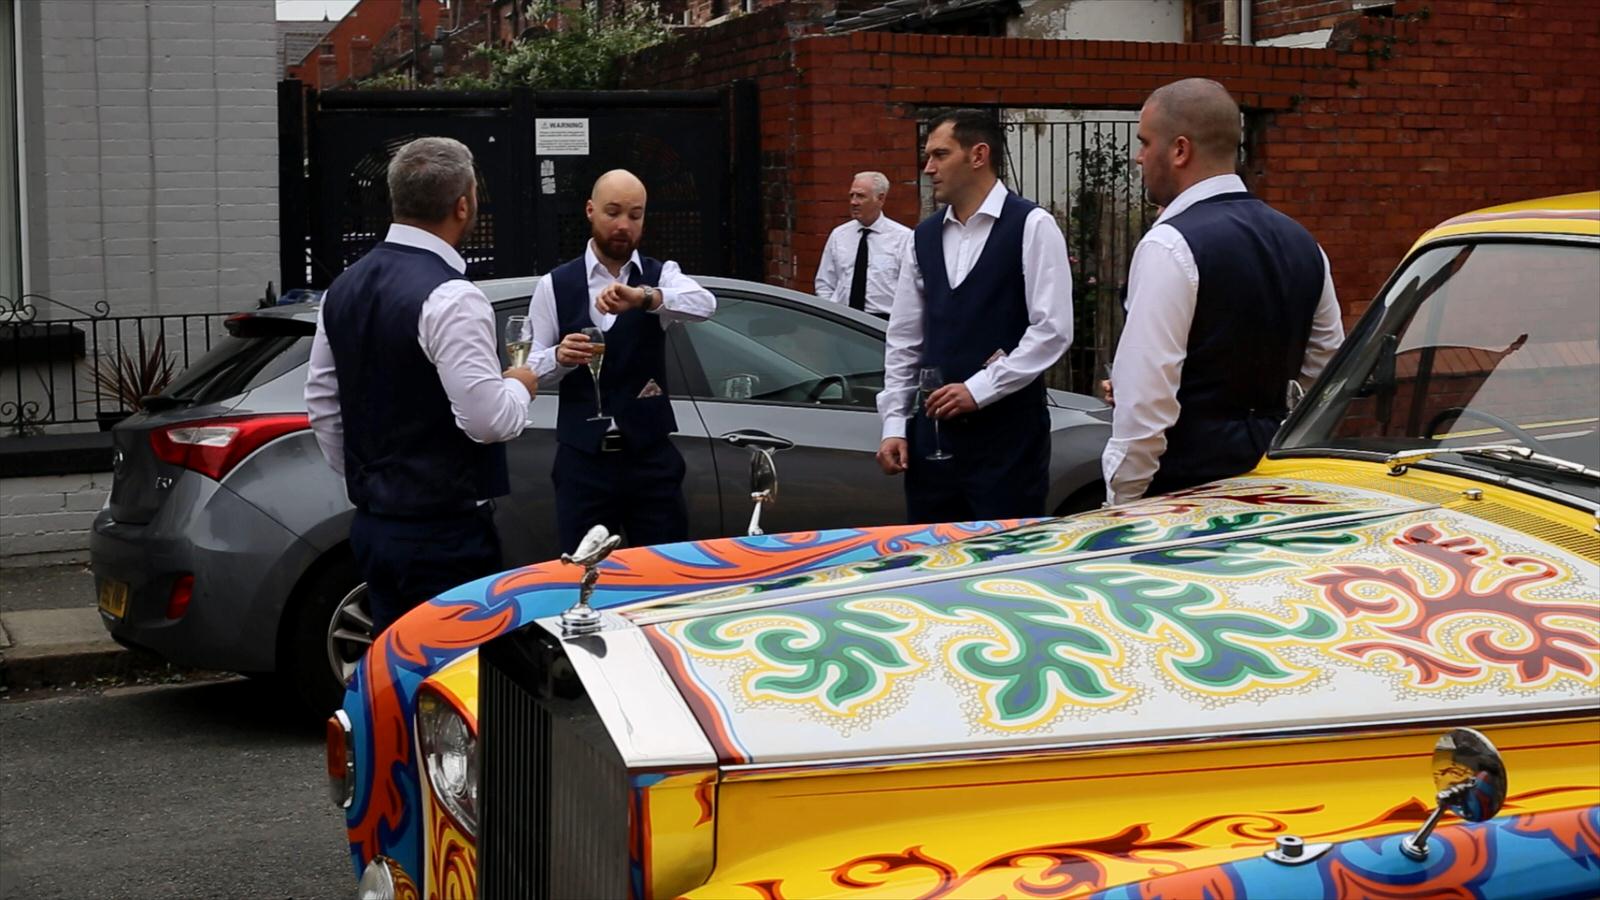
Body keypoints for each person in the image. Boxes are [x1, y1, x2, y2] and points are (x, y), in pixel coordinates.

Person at [305, 137, 538, 635]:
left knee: (396, 674)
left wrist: (374, 479)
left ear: (397, 200)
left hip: (374, 524)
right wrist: (521, 384)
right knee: (457, 683)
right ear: (463, 204)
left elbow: (323, 405)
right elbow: (488, 421)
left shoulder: (341, 288)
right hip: (444, 531)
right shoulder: (453, 296)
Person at [1101, 78, 1344, 506]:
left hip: (1185, 492)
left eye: (1144, 142)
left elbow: (1146, 408)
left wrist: (1122, 500)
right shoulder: (1305, 243)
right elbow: (1326, 375)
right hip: (1276, 482)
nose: (1139, 157)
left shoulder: (1169, 245)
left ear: (1179, 150)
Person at [876, 109, 1074, 522]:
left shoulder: (1032, 225)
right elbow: (904, 339)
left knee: (1007, 562)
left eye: (940, 154)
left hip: (1008, 441)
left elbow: (1053, 330)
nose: (928, 167)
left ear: (978, 155)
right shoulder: (923, 237)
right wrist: (894, 423)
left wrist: (980, 388)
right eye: (928, 156)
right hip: (933, 442)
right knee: (931, 562)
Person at [524, 169, 715, 552]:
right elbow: (529, 369)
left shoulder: (661, 275)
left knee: (665, 576)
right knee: (583, 577)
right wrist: (560, 357)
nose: (624, 225)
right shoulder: (555, 285)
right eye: (613, 212)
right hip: (583, 464)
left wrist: (645, 298)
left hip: (649, 458)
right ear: (590, 211)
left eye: (635, 215)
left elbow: (705, 305)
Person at [814, 171, 912, 318]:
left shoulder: (903, 238)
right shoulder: (839, 235)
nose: (853, 202)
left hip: (884, 321)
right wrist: (831, 313)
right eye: (851, 195)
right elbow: (825, 282)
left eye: (860, 196)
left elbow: (911, 289)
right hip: (843, 318)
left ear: (881, 199)